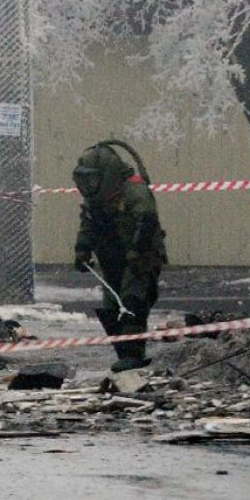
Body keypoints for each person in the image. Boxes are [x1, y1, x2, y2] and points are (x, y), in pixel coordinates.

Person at [72, 140, 167, 372]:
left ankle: (134, 354)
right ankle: (123, 352)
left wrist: (138, 252)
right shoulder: (95, 199)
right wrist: (82, 249)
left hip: (141, 255)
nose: (88, 185)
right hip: (112, 257)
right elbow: (88, 224)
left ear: (106, 174)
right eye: (84, 180)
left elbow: (147, 222)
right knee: (111, 305)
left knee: (133, 299)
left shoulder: (135, 191)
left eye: (92, 179)